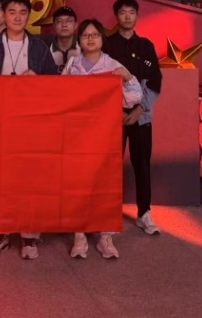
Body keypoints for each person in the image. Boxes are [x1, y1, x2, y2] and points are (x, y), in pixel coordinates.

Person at [0, 0, 58, 260]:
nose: (17, 17)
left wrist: (38, 80)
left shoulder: (39, 47)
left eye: (22, 12)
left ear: (29, 16)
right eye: (12, 12)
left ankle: (29, 235)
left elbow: (55, 84)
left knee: (29, 178)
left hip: (30, 122)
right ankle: (0, 233)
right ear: (3, 15)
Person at [63, 19, 142, 259]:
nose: (90, 39)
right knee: (78, 184)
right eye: (85, 35)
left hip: (104, 136)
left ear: (101, 38)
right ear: (79, 40)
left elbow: (133, 98)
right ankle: (79, 235)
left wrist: (128, 77)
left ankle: (105, 237)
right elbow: (61, 95)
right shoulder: (72, 65)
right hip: (77, 135)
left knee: (105, 184)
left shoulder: (113, 65)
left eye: (94, 35)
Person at [103, 0, 163, 236]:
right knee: (109, 166)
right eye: (123, 12)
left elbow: (155, 81)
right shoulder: (106, 45)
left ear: (137, 16)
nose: (127, 16)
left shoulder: (146, 46)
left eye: (131, 12)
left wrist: (139, 109)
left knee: (142, 165)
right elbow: (102, 83)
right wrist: (116, 110)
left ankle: (144, 213)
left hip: (141, 118)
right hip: (112, 118)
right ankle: (107, 214)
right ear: (116, 16)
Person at [49, 6, 80, 73]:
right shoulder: (44, 49)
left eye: (69, 21)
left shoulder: (84, 48)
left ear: (76, 25)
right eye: (59, 21)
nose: (64, 25)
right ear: (53, 25)